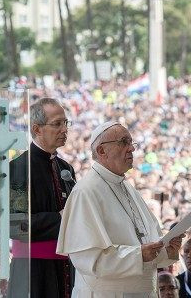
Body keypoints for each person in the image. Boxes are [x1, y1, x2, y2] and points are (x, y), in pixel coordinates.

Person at [56, 121, 183, 297]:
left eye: (131, 142)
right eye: (124, 142)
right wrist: (139, 255)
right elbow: (88, 259)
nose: (132, 148)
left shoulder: (127, 187)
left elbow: (146, 241)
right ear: (101, 151)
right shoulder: (85, 192)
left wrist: (166, 248)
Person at [9, 98, 77, 298]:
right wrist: (60, 218)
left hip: (66, 267)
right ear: (37, 129)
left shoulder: (65, 168)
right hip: (33, 271)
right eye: (57, 124)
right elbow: (15, 225)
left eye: (65, 123)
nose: (64, 129)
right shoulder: (18, 168)